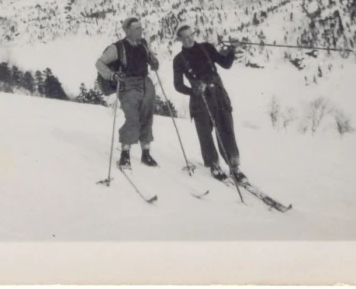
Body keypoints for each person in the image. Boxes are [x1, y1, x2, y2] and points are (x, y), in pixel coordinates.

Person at [172, 24, 247, 184]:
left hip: (218, 92)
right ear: (179, 39)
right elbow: (178, 85)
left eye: (190, 34)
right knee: (205, 132)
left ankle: (234, 167)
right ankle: (214, 165)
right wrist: (193, 91)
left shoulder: (206, 48)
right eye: (184, 37)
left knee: (226, 127)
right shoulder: (178, 60)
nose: (189, 39)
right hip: (199, 98)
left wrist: (232, 50)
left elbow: (226, 64)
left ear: (194, 33)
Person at [95, 17, 160, 169]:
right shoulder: (118, 47)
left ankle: (146, 152)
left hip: (145, 82)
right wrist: (111, 75)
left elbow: (151, 59)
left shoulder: (143, 44)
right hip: (127, 83)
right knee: (132, 117)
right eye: (137, 28)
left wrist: (154, 62)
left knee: (147, 115)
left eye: (140, 28)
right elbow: (99, 63)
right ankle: (125, 153)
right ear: (128, 31)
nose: (140, 30)